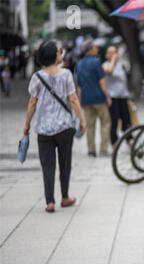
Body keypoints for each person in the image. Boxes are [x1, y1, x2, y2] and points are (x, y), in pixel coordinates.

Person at [23, 40, 87, 213]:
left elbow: (32, 102)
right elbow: (73, 99)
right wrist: (82, 119)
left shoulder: (37, 77)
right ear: (54, 55)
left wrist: (27, 125)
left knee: (47, 165)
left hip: (43, 129)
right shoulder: (65, 74)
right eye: (59, 51)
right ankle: (65, 197)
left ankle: (49, 201)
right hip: (64, 127)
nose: (61, 53)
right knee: (65, 163)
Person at [76, 40, 112, 157]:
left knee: (90, 125)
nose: (97, 49)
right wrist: (107, 96)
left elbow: (79, 86)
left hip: (86, 99)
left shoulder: (79, 64)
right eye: (95, 47)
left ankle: (91, 151)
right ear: (90, 49)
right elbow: (102, 81)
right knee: (105, 123)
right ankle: (103, 149)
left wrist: (80, 101)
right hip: (99, 98)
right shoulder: (96, 62)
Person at [102, 45, 131, 147]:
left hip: (123, 97)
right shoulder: (105, 65)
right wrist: (113, 60)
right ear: (106, 55)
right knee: (114, 121)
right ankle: (114, 143)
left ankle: (129, 140)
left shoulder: (121, 65)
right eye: (111, 52)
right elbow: (109, 71)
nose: (114, 54)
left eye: (115, 52)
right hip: (113, 98)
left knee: (126, 120)